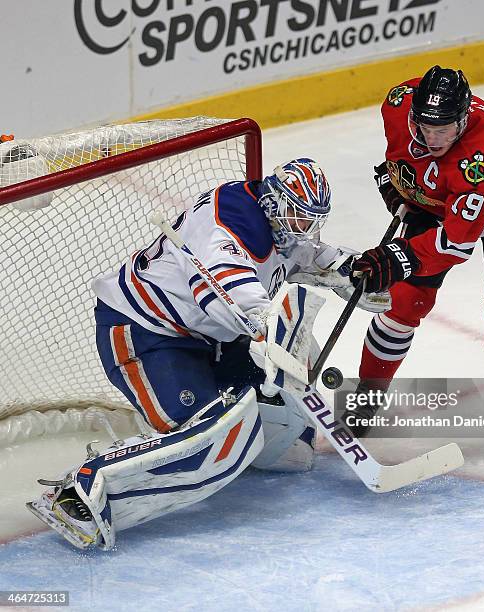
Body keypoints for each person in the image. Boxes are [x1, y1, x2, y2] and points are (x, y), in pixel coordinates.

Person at [27, 157, 388, 549]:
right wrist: (269, 331)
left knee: (289, 446)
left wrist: (353, 270)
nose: (304, 232)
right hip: (147, 334)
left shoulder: (275, 222)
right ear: (275, 205)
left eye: (310, 222)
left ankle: (230, 436)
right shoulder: (228, 229)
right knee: (212, 440)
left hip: (209, 338)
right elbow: (241, 305)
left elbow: (312, 258)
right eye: (299, 219)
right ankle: (82, 489)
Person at [344, 65, 484, 436]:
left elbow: (454, 241)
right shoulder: (399, 103)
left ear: (463, 121)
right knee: (404, 301)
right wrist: (396, 180)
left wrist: (397, 257)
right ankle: (370, 390)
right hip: (439, 202)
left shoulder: (480, 159)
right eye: (424, 127)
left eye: (443, 130)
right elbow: (401, 154)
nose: (431, 138)